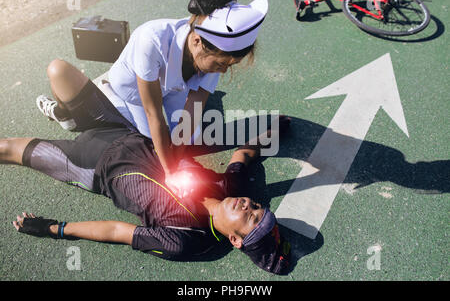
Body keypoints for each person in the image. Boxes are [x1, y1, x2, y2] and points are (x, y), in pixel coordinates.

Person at [35, 0, 269, 193]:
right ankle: (64, 112)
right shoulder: (152, 39)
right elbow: (153, 114)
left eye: (230, 65)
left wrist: (176, 160)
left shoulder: (214, 56)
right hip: (129, 93)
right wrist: (171, 172)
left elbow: (192, 114)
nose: (224, 71)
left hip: (170, 89)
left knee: (191, 138)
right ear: (197, 41)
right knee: (150, 150)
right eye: (221, 64)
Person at [1, 120, 292, 275]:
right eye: (256, 206)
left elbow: (118, 231)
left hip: (95, 164)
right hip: (124, 129)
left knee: (6, 148)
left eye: (250, 217)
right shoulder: (231, 186)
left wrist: (55, 228)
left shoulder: (184, 239)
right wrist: (272, 133)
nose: (248, 205)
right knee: (59, 71)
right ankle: (65, 114)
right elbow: (243, 155)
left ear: (235, 240)